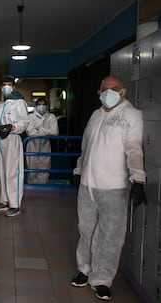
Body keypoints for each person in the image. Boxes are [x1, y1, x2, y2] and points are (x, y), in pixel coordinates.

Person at [71, 75, 146, 301]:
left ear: (123, 92)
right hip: (88, 184)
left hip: (113, 186)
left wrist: (138, 177)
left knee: (110, 235)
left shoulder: (131, 115)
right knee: (86, 230)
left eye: (114, 89)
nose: (109, 92)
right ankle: (84, 269)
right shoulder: (95, 115)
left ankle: (102, 279)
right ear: (99, 92)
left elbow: (134, 148)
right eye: (105, 89)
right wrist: (78, 170)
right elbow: (86, 147)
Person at [0, 75, 29, 217]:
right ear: (1, 87)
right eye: (4, 84)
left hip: (12, 139)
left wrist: (13, 127)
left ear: (13, 86)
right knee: (0, 172)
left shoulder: (19, 103)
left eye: (9, 84)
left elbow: (24, 123)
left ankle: (15, 204)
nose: (6, 87)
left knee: (13, 172)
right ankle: (4, 200)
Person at [26, 98, 58, 184]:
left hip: (45, 145)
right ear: (36, 106)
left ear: (47, 106)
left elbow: (55, 132)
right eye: (39, 104)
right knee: (31, 169)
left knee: (44, 169)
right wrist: (46, 131)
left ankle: (43, 189)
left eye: (43, 104)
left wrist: (39, 130)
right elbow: (30, 132)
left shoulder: (51, 117)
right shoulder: (30, 117)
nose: (41, 106)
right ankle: (32, 189)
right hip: (32, 145)